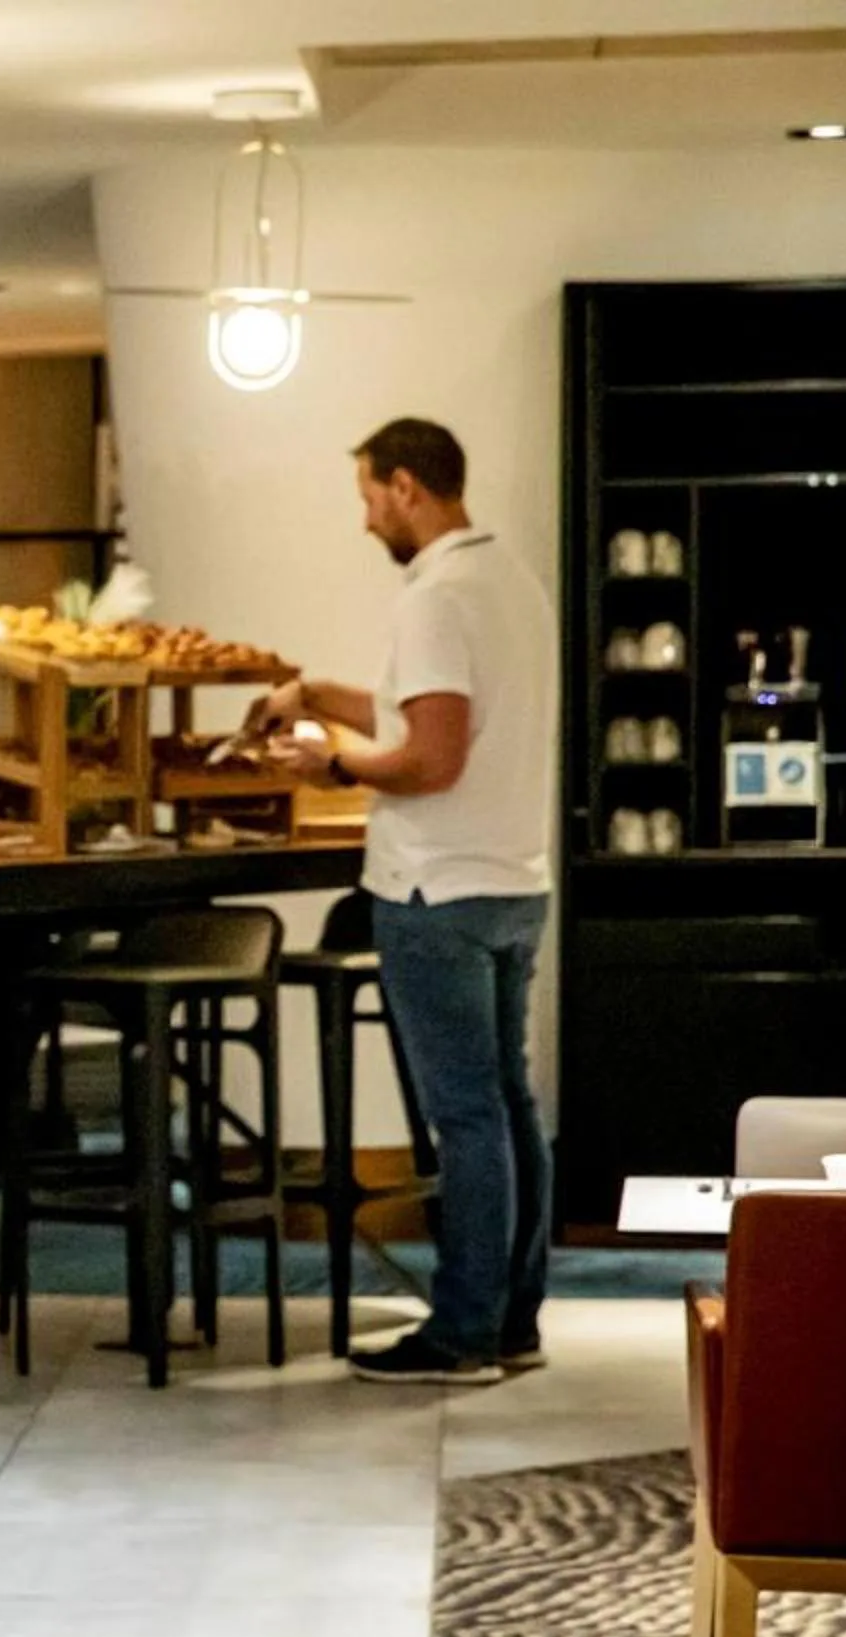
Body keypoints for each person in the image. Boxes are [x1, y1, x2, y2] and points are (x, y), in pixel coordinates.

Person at [263, 416, 554, 1386]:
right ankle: (513, 1319)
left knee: (466, 1116)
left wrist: (328, 757)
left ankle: (463, 1330)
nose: (364, 519)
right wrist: (313, 691)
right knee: (509, 1105)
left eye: (366, 496)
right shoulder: (509, 580)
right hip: (511, 877)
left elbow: (430, 755)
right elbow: (431, 706)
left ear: (406, 488)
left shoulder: (434, 596)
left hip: (435, 884)